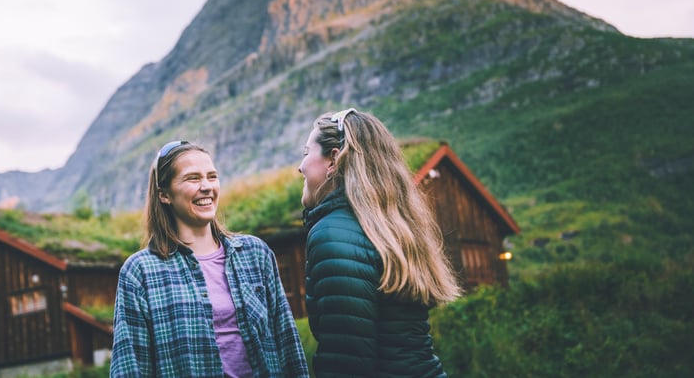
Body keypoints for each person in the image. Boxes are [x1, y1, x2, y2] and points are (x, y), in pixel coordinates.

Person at [111, 139, 309, 378]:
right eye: (193, 178)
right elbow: (129, 366)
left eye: (212, 176)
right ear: (164, 195)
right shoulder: (141, 271)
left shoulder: (255, 254)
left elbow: (287, 343)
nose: (206, 186)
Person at [299, 108, 462, 377]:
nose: (300, 166)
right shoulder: (392, 227)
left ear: (333, 161)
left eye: (306, 153)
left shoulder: (332, 234)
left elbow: (347, 364)